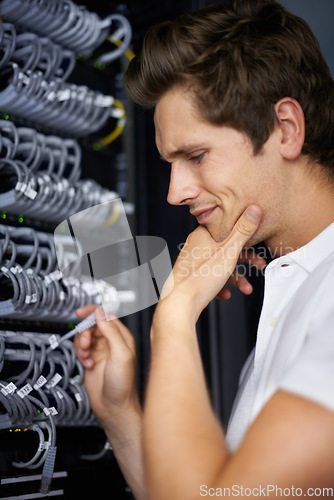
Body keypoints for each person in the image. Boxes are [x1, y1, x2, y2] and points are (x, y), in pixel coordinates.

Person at [75, 1, 334, 498]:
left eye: (195, 156)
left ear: (285, 128)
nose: (174, 192)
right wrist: (121, 414)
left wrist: (173, 315)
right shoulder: (291, 289)